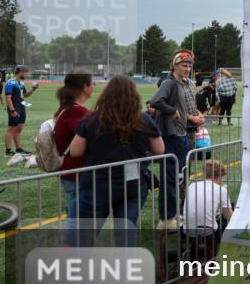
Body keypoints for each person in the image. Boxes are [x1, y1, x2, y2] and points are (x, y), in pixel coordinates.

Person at [68, 75, 164, 246]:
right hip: (133, 182)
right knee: (125, 233)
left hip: (98, 183)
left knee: (86, 235)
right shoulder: (143, 119)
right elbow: (159, 149)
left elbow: (75, 151)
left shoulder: (92, 119)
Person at [149, 50, 205, 230]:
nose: (187, 68)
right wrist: (172, 111)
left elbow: (186, 106)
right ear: (174, 66)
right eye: (184, 65)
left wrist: (197, 114)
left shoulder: (185, 83)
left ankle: (175, 214)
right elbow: (155, 101)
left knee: (180, 177)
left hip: (184, 134)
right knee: (171, 178)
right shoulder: (170, 82)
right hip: (173, 136)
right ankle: (167, 218)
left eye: (189, 65)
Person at [53, 70, 95, 242]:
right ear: (85, 87)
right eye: (92, 83)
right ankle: (69, 250)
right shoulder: (77, 112)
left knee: (76, 214)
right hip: (77, 172)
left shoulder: (67, 109)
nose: (94, 87)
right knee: (76, 217)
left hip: (72, 172)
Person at [182, 159, 234, 259]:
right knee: (226, 225)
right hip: (208, 232)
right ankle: (218, 257)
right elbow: (230, 216)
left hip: (187, 231)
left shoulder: (192, 186)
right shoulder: (221, 190)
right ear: (219, 176)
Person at [4, 65, 39, 156]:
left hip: (21, 106)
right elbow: (8, 98)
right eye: (26, 73)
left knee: (19, 128)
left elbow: (25, 95)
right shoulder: (10, 83)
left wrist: (33, 89)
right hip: (14, 107)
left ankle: (18, 149)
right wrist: (12, 111)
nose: (26, 75)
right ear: (21, 72)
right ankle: (8, 151)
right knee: (11, 128)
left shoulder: (21, 83)